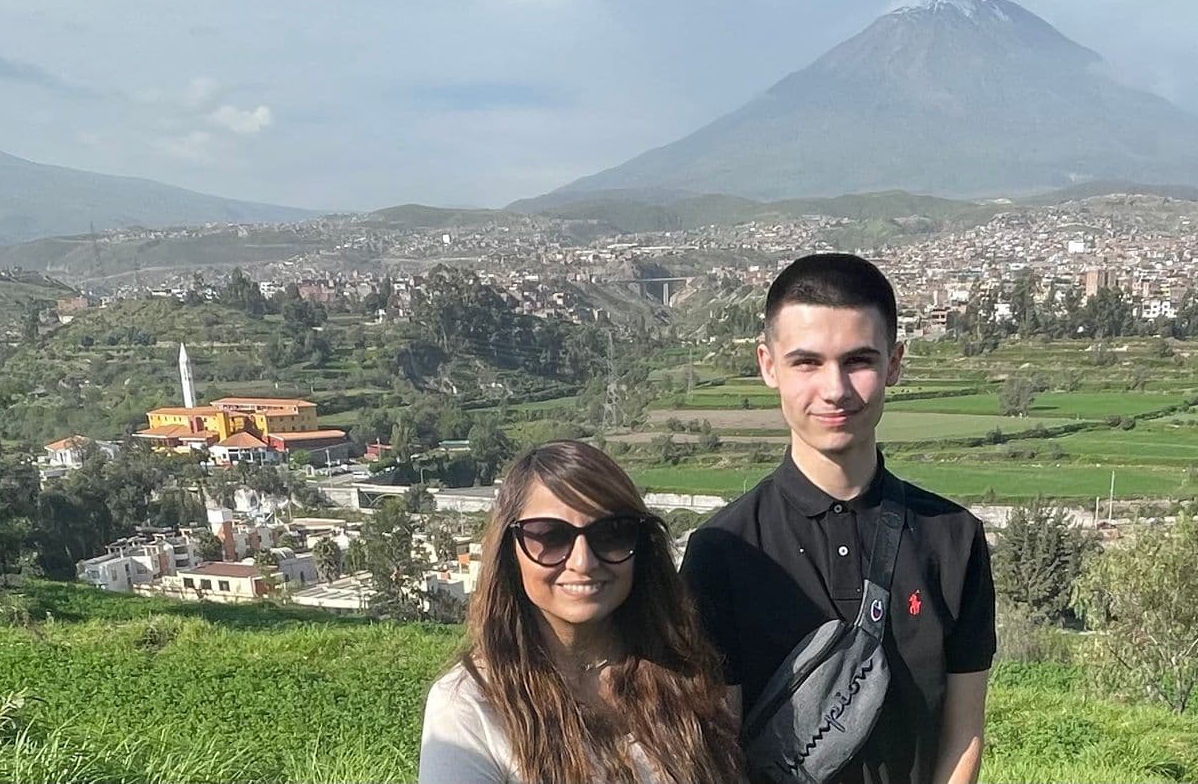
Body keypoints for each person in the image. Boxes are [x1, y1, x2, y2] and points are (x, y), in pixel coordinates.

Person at [681, 253, 997, 784]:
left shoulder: (954, 538)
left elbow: (962, 730)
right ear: (768, 365)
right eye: (807, 362)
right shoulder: (723, 551)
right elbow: (715, 751)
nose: (835, 389)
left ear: (894, 363)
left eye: (858, 361)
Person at [417, 440, 742, 784]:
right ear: (510, 551)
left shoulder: (685, 673)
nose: (583, 562)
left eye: (611, 533)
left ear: (641, 546)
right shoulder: (470, 706)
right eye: (551, 536)